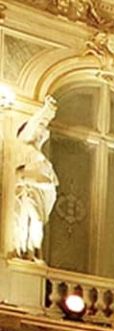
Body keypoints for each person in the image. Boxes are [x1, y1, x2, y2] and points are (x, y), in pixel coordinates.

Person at [9, 98, 58, 261]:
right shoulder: (26, 146)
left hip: (39, 192)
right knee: (32, 220)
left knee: (37, 220)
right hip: (28, 192)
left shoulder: (40, 157)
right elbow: (35, 124)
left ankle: (33, 251)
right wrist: (47, 110)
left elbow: (50, 182)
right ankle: (28, 252)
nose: (41, 132)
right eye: (40, 129)